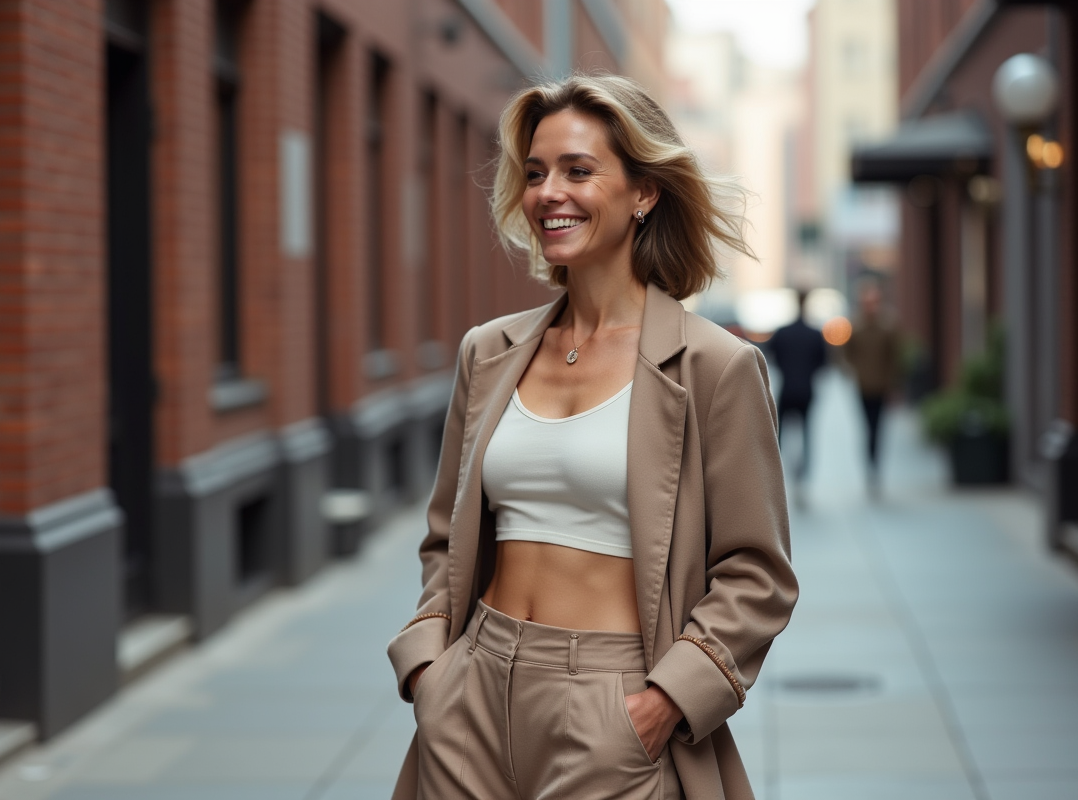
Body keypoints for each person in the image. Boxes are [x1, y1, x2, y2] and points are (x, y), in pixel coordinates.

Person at [386, 75, 798, 800]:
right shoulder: (488, 352)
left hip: (613, 705)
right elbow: (445, 533)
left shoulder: (715, 367)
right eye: (536, 173)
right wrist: (428, 670)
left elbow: (756, 574)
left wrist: (664, 701)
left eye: (579, 170)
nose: (549, 193)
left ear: (644, 192)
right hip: (468, 694)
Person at [767, 290, 828, 503]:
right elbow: (824, 363)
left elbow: (771, 356)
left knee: (780, 436)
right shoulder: (814, 334)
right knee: (806, 435)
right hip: (807, 391)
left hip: (787, 390)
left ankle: (778, 479)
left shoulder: (783, 332)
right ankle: (802, 479)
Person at [842, 284, 901, 496]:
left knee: (878, 428)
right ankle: (869, 466)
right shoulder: (856, 326)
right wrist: (853, 370)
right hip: (863, 385)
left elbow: (895, 356)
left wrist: (893, 383)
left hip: (882, 386)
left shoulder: (888, 325)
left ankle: (875, 466)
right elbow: (845, 353)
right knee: (867, 427)